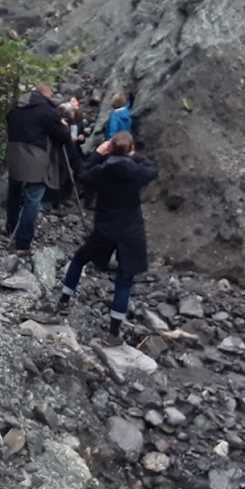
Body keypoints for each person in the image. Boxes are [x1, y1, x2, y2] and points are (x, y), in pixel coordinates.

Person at [57, 131, 158, 344]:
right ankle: (114, 333)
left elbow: (82, 173)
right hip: (131, 231)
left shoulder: (102, 170)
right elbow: (152, 169)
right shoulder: (138, 172)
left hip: (105, 228)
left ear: (110, 148)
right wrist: (133, 155)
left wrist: (97, 154)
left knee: (79, 259)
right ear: (130, 150)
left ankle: (64, 301)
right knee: (124, 279)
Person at [5, 85, 75, 253]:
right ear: (46, 95)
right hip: (35, 158)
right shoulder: (46, 111)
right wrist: (64, 125)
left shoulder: (15, 107)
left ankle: (10, 228)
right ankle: (22, 242)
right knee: (33, 200)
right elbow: (63, 136)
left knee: (14, 193)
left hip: (14, 155)